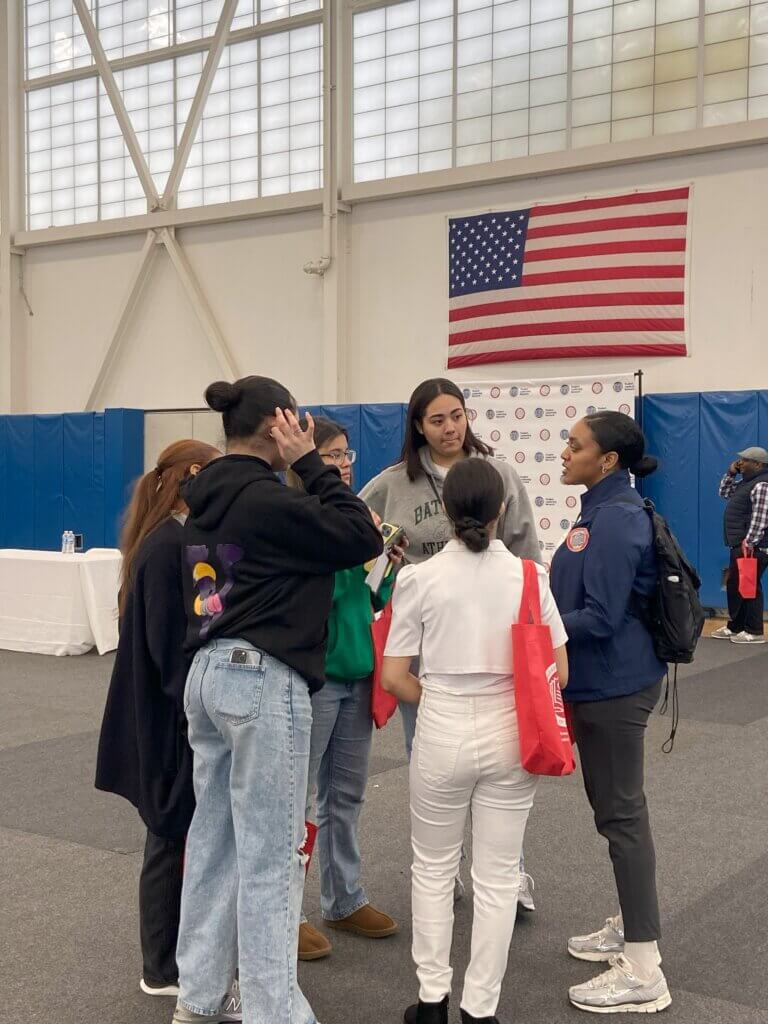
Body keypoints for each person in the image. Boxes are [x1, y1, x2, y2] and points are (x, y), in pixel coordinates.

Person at [172, 377, 383, 1024]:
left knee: (213, 848)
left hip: (208, 673)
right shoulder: (267, 498)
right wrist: (310, 461)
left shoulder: (204, 495)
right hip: (261, 678)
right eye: (297, 423)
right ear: (277, 425)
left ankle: (200, 1000)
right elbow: (361, 535)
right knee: (271, 857)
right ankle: (271, 1011)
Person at [381, 458, 568, 1024]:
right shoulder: (533, 577)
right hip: (512, 730)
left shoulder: (418, 578)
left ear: (442, 511)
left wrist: (437, 698)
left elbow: (392, 677)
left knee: (433, 869)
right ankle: (480, 1008)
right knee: (498, 876)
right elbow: (559, 672)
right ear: (502, 510)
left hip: (441, 725)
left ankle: (431, 1001)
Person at [360, 377, 541, 909]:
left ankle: (510, 873)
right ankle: (445, 867)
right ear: (418, 425)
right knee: (431, 758)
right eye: (437, 419)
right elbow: (356, 535)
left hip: (493, 640)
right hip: (426, 646)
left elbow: (526, 546)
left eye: (457, 415)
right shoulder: (392, 484)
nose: (449, 428)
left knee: (506, 760)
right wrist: (383, 575)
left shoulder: (498, 472)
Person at [549, 411, 671, 1016]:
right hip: (600, 685)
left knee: (622, 816)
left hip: (616, 687)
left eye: (575, 445)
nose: (563, 452)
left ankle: (644, 966)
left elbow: (598, 615)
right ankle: (630, 924)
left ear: (609, 460)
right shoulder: (599, 509)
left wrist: (528, 627)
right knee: (614, 814)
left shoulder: (618, 519)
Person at [95, 440, 223, 1001]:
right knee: (169, 837)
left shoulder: (166, 540)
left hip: (163, 713)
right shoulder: (168, 544)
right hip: (167, 719)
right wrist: (198, 706)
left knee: (172, 836)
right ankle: (162, 967)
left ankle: (169, 958)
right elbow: (169, 649)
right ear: (193, 476)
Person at [286, 417, 400, 961]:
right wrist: (351, 562)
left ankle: (344, 897)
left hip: (356, 675)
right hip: (315, 678)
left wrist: (384, 571)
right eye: (331, 456)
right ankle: (288, 911)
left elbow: (366, 605)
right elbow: (306, 602)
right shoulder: (303, 520)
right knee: (297, 800)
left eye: (345, 453)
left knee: (346, 795)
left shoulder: (353, 519)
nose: (345, 462)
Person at [712, 446, 768, 644]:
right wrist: (730, 473)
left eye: (745, 460)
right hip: (741, 544)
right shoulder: (747, 483)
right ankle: (736, 627)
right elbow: (724, 492)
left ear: (758, 464)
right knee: (737, 585)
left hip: (753, 546)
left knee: (750, 587)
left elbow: (761, 517)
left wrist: (750, 542)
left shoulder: (762, 485)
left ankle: (754, 631)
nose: (740, 463)